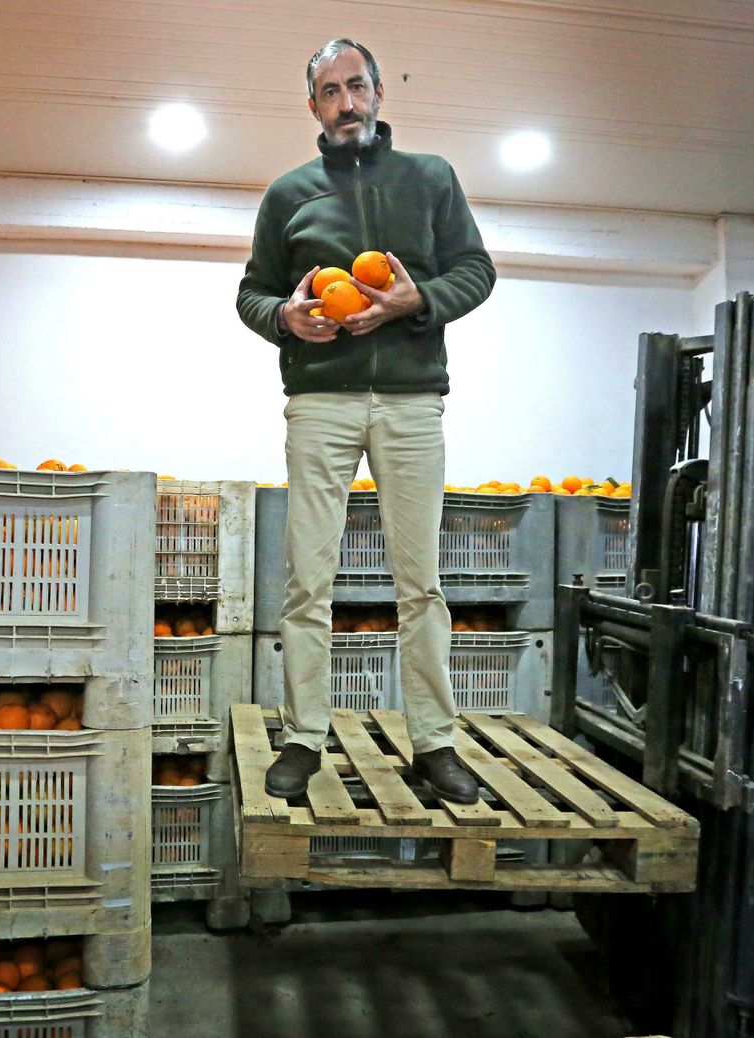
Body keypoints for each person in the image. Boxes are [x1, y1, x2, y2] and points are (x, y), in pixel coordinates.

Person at [235, 38, 496, 802]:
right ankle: (304, 737)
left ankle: (435, 743)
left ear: (379, 92)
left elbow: (475, 270)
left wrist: (421, 302)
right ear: (312, 105)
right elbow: (251, 293)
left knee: (421, 582)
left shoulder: (431, 178)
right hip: (321, 400)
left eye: (357, 86)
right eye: (329, 91)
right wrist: (286, 316)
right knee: (308, 579)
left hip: (413, 399)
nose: (346, 103)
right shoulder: (290, 193)